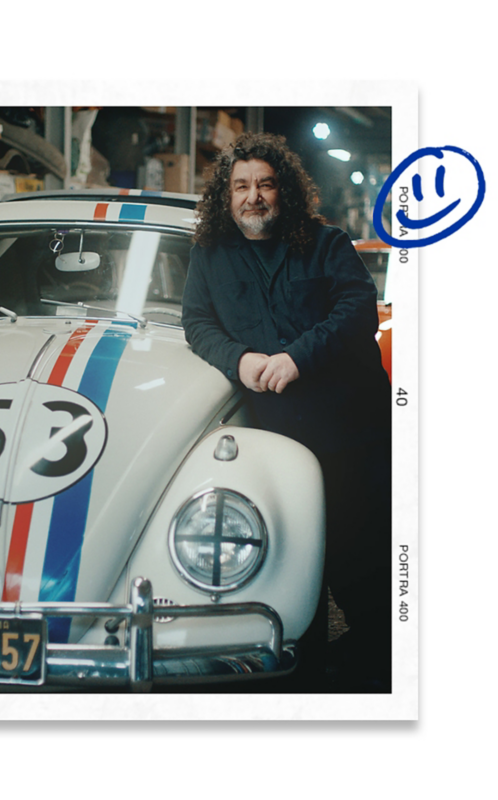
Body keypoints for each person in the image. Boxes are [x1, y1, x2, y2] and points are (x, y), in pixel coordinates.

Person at [182, 132, 392, 691]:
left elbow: (356, 312)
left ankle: (378, 678)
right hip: (274, 441)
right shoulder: (210, 255)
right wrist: (240, 358)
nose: (254, 196)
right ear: (226, 197)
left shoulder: (327, 243)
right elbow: (197, 324)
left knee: (359, 565)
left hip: (350, 437)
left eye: (266, 184)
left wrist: (296, 358)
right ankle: (302, 679)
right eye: (241, 185)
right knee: (286, 561)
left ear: (286, 192)